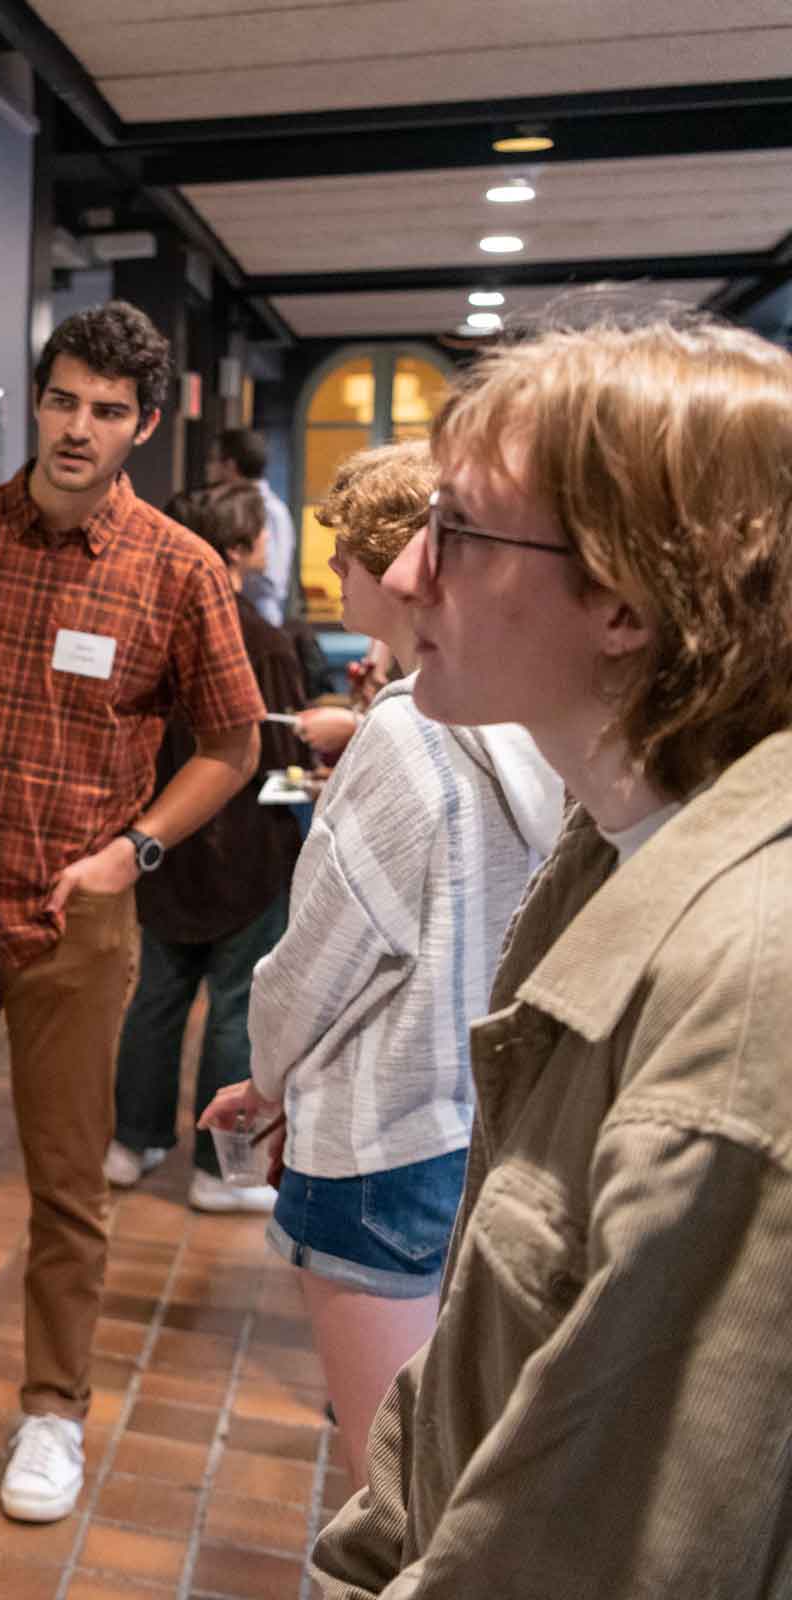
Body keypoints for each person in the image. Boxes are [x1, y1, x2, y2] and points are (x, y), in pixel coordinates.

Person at [309, 314, 792, 1596]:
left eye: (459, 531)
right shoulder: (608, 843)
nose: (406, 575)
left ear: (626, 598)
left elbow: (610, 1554)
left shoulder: (745, 993)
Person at [0, 301, 263, 1520]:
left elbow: (229, 748)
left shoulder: (178, 569)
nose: (80, 428)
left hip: (75, 913)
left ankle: (51, 1410)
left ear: (141, 426)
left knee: (68, 1181)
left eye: (108, 411)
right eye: (64, 399)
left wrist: (135, 850)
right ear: (38, 399)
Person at [201, 440, 562, 1483]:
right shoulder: (516, 719)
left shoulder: (407, 743)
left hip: (377, 1131)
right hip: (471, 1118)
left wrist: (263, 1079)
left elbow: (317, 963)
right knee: (440, 1436)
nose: (338, 576)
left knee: (384, 1477)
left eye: (350, 555)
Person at [106, 484, 309, 1214]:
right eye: (257, 534)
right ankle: (220, 1173)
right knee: (235, 1008)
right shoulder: (264, 639)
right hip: (248, 858)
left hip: (159, 844)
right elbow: (279, 755)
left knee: (154, 1001)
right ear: (238, 547)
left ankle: (131, 1143)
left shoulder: (146, 626)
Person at [211, 426, 299, 625]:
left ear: (230, 466)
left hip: (258, 617)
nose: (210, 469)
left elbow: (274, 580)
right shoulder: (231, 503)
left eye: (213, 461)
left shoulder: (269, 509)